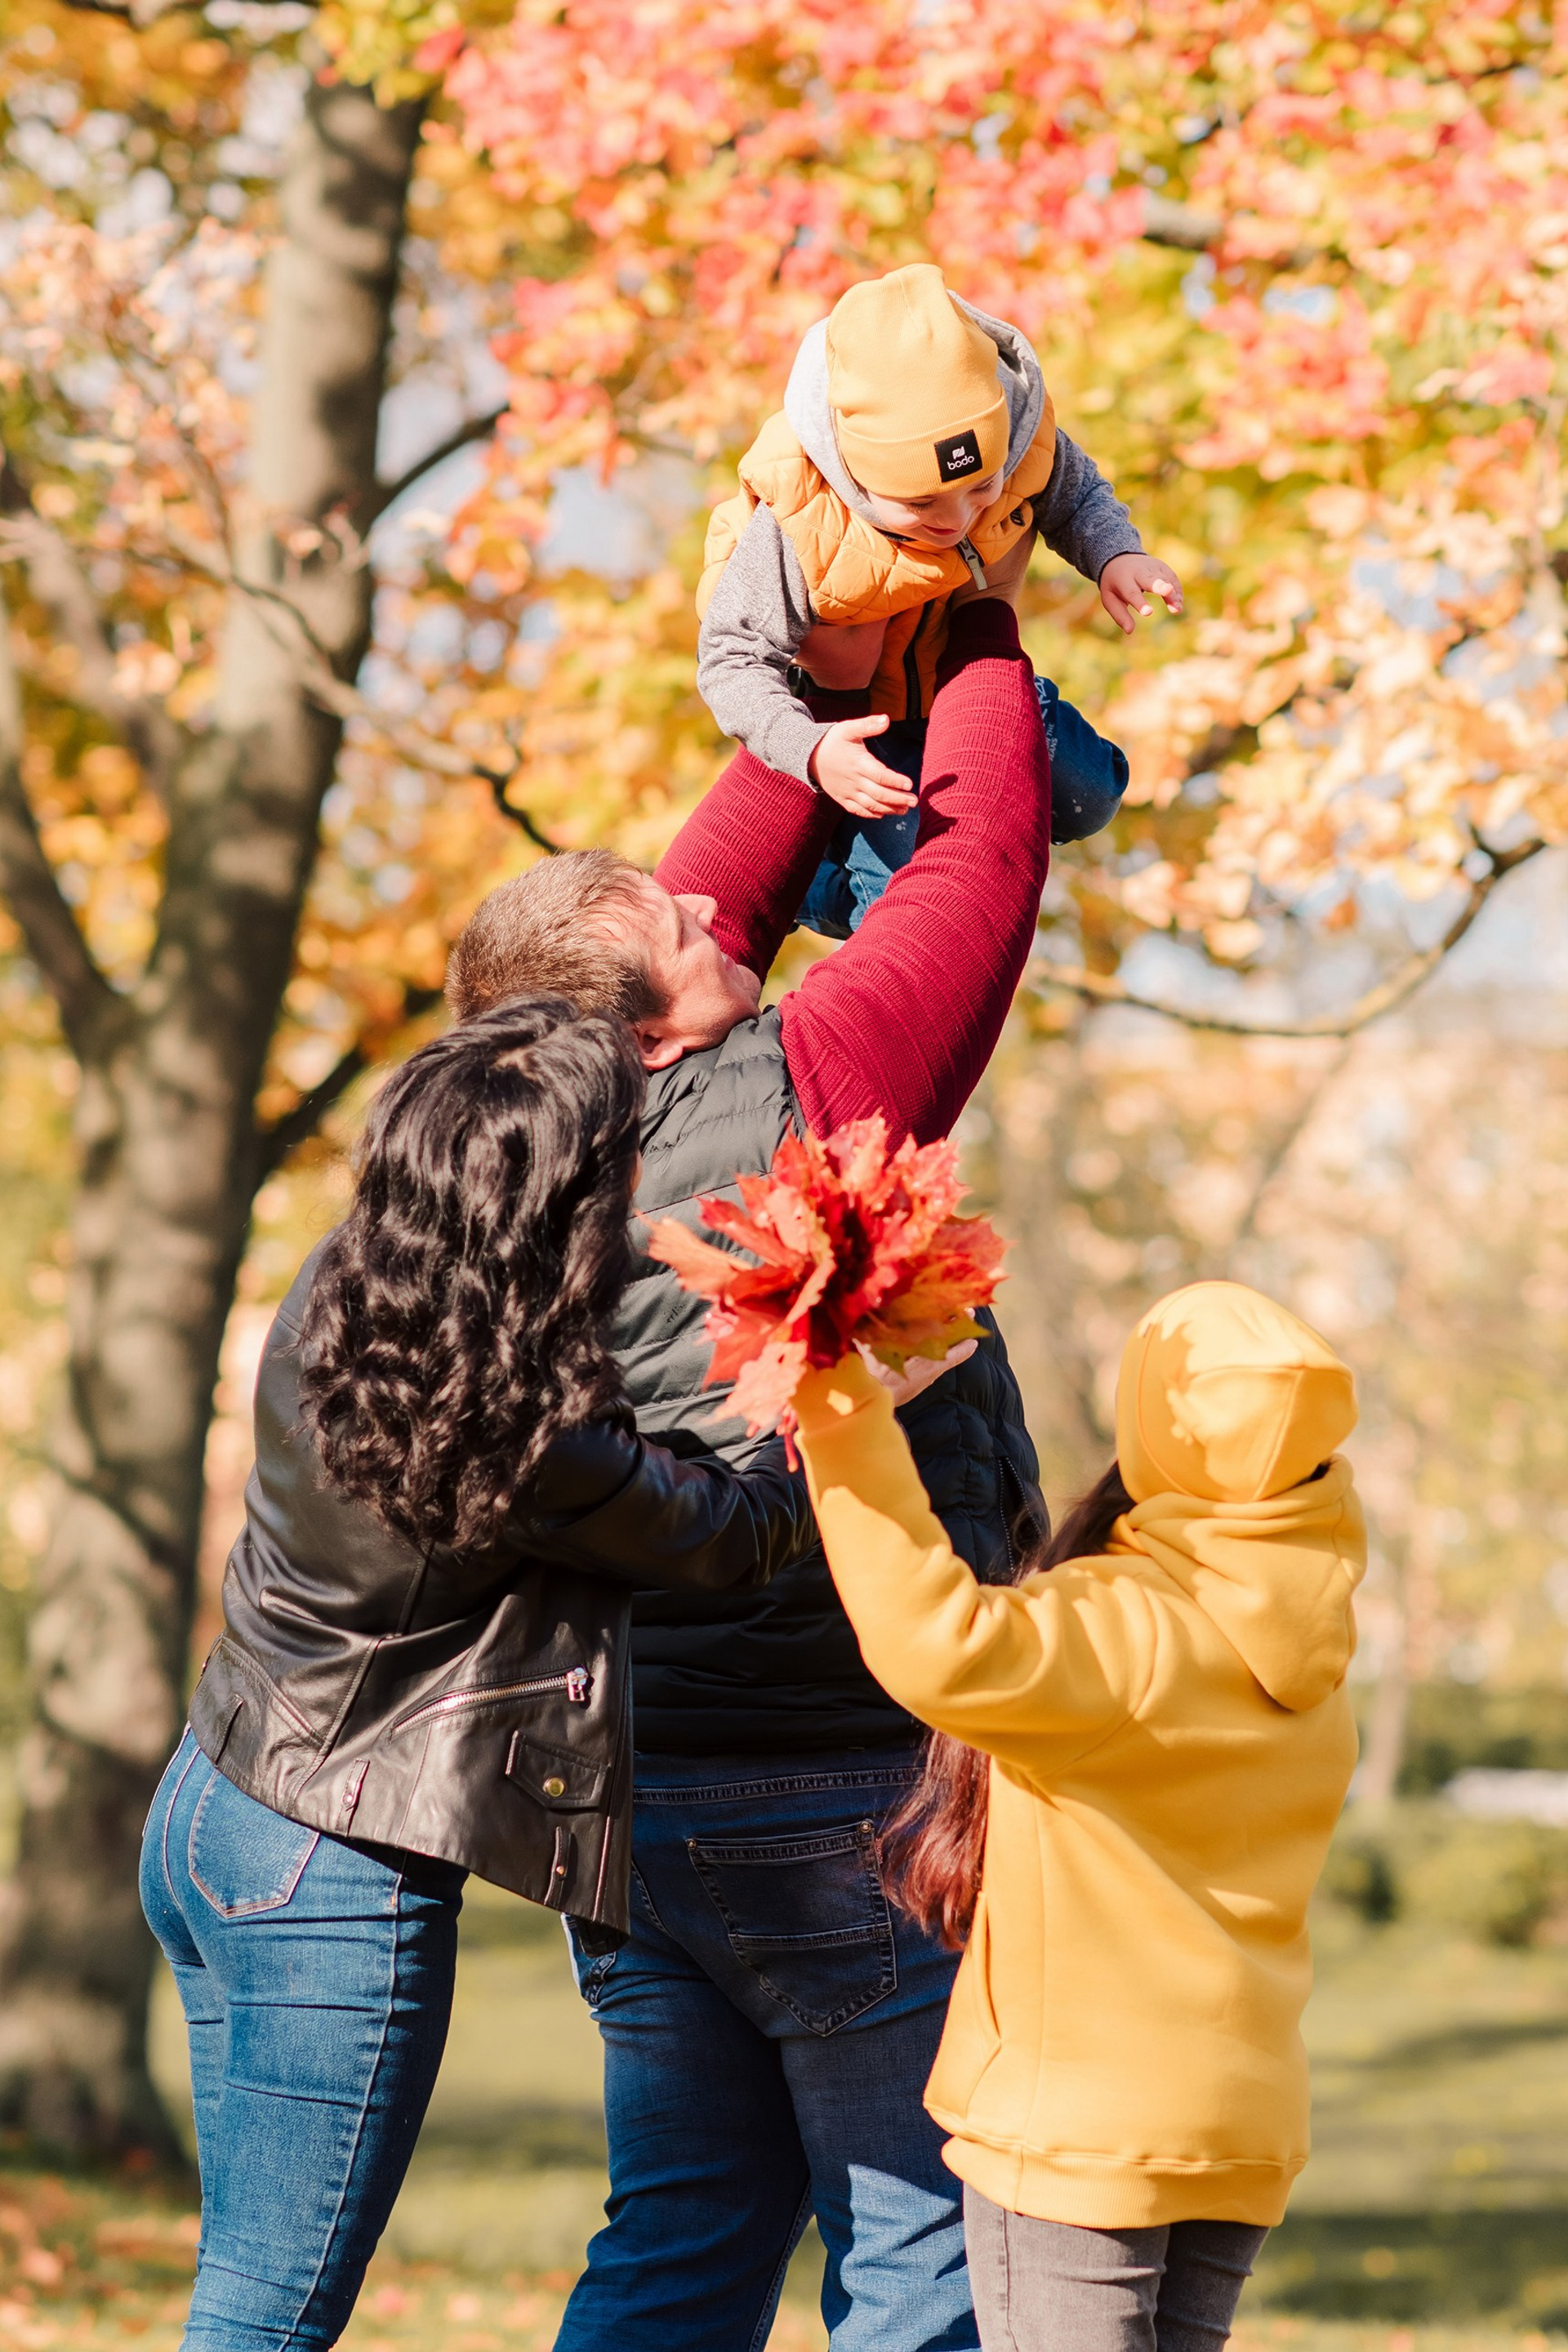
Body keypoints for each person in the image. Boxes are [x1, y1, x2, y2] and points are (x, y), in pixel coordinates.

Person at [444, 586, 1054, 2351]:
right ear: (641, 1025)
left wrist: (837, 646)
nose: (718, 908)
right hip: (849, 1788)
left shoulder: (503, 1142)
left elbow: (717, 874)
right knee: (922, 2263)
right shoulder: (812, 1087)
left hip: (634, 1796)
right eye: (682, 931)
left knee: (681, 2248)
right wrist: (984, 615)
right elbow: (981, 866)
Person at [139, 997, 820, 2352]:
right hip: (330, 1873)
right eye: (627, 1154)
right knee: (268, 2316)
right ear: (570, 1203)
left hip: (214, 1808)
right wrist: (819, 1369)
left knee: (241, 2295)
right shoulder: (521, 1433)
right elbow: (739, 1537)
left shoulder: (348, 1279)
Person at [791, 1282, 1367, 2352]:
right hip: (1239, 2125)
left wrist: (840, 1415)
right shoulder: (1317, 1654)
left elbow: (936, 1642)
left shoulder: (1123, 1630)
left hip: (1082, 2132)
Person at [695, 262, 1181, 932]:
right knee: (885, 913)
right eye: (921, 502)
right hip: (873, 734)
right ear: (853, 473)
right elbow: (729, 657)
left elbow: (1074, 492)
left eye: (980, 488)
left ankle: (985, 803)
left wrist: (1116, 554)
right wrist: (808, 748)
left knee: (1094, 795)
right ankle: (819, 870)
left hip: (961, 680)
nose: (957, 518)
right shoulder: (797, 520)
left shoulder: (1012, 439)